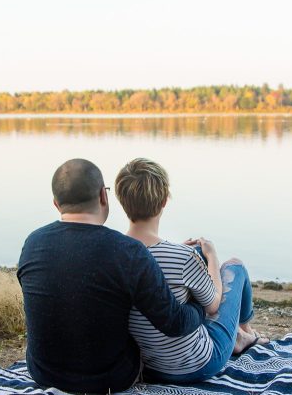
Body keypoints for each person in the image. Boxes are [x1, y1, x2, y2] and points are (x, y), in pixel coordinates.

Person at [16, 158, 206, 395]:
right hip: (110, 379)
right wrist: (200, 307)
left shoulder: (33, 243)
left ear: (56, 204)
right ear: (103, 197)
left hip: (43, 373)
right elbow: (175, 323)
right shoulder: (126, 251)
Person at [114, 157, 269, 383]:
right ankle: (245, 334)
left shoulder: (114, 254)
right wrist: (212, 258)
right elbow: (214, 304)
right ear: (165, 200)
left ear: (121, 200)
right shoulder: (184, 257)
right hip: (198, 364)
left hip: (147, 366)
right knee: (235, 266)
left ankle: (240, 335)